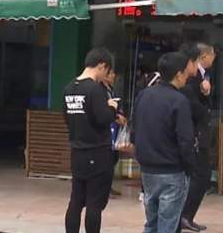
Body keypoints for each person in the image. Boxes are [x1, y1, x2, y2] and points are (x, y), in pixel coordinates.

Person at [132, 52, 196, 233]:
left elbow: (134, 129)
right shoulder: (179, 101)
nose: (187, 76)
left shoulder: (143, 95)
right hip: (172, 170)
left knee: (151, 223)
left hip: (148, 170)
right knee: (168, 224)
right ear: (178, 74)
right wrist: (190, 166)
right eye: (186, 72)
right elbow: (185, 139)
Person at [63, 48, 119, 233]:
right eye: (107, 70)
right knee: (94, 203)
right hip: (97, 151)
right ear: (102, 65)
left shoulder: (69, 88)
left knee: (76, 200)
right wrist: (112, 107)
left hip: (77, 150)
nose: (106, 75)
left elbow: (67, 118)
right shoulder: (94, 89)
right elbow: (103, 118)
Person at [179, 43, 216, 232]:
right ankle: (184, 215)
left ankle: (186, 215)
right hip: (195, 133)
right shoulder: (191, 78)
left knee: (202, 175)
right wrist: (205, 111)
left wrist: (207, 93)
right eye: (212, 54)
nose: (214, 57)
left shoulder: (203, 76)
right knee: (201, 175)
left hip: (200, 132)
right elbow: (193, 105)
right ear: (203, 56)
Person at [103, 69, 128, 196]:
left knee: (113, 157)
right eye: (111, 73)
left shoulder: (112, 90)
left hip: (115, 128)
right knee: (106, 158)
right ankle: (103, 187)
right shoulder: (100, 90)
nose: (113, 76)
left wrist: (120, 115)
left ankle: (108, 185)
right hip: (107, 128)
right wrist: (116, 117)